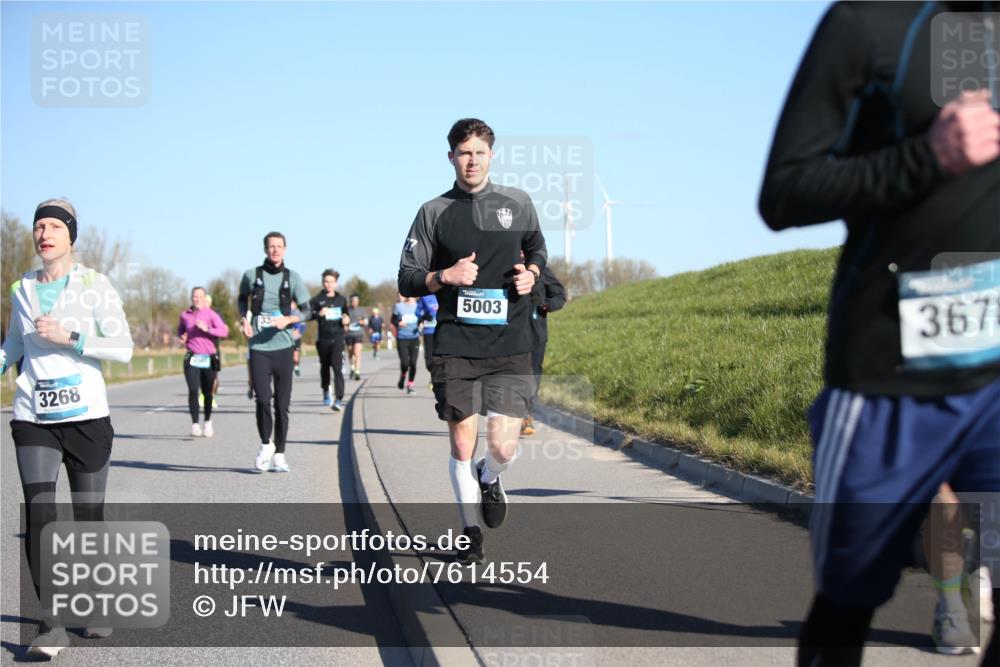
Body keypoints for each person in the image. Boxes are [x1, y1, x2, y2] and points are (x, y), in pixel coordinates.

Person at [758, 4, 1000, 664]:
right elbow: (784, 192)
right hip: (892, 374)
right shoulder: (868, 22)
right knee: (847, 601)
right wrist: (928, 156)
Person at [398, 118, 547, 564]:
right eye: (464, 153)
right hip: (456, 347)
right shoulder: (433, 211)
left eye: (480, 152)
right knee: (462, 445)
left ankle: (491, 476)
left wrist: (532, 273)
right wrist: (443, 275)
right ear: (451, 158)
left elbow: (538, 247)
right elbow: (406, 278)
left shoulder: (517, 202)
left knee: (502, 447)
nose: (472, 160)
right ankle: (468, 533)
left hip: (509, 343)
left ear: (491, 155)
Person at [2, 198, 134, 657]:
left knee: (87, 521)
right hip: (33, 414)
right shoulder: (21, 287)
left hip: (87, 418)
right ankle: (50, 622)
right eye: (39, 226)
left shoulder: (95, 285)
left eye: (54, 226)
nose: (45, 233)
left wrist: (71, 338)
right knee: (40, 517)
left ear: (70, 236)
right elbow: (14, 344)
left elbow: (123, 348)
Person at [238, 232, 312, 473]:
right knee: (262, 399)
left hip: (283, 345)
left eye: (279, 246)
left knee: (282, 404)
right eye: (271, 247)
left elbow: (307, 311)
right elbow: (241, 299)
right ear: (265, 249)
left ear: (285, 249)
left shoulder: (294, 278)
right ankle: (266, 444)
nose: (275, 250)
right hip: (258, 346)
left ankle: (280, 453)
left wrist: (289, 319)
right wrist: (244, 320)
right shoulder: (251, 275)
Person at [177, 287, 229, 437]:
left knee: (207, 392)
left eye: (200, 296)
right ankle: (194, 424)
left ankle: (207, 421)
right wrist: (182, 337)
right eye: (195, 296)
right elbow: (180, 330)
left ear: (205, 298)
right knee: (193, 390)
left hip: (208, 357)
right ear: (191, 298)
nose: (197, 299)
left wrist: (207, 329)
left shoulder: (211, 314)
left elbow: (223, 331)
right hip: (191, 356)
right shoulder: (184, 315)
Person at [522, 264, 566, 436]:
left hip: (535, 334)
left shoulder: (542, 271)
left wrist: (546, 305)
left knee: (532, 374)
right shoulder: (504, 266)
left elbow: (560, 296)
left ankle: (526, 415)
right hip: (507, 334)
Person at [309, 269, 350, 411]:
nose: (329, 284)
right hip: (323, 339)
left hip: (338, 338)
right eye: (326, 281)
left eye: (332, 282)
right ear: (322, 283)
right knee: (325, 367)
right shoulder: (316, 299)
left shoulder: (341, 299)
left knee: (337, 368)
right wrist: (319, 314)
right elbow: (309, 315)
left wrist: (346, 321)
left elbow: (347, 316)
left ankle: (339, 399)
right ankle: (326, 390)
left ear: (336, 283)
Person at [392, 294, 421, 394]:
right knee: (405, 363)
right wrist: (398, 322)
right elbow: (393, 319)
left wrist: (422, 322)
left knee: (413, 363)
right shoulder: (398, 306)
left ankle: (410, 384)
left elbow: (423, 317)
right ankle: (403, 376)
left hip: (414, 338)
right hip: (402, 338)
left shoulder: (419, 305)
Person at [416, 293, 439, 389]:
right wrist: (424, 317)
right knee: (429, 361)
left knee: (439, 357)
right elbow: (417, 312)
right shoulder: (424, 297)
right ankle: (434, 375)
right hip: (429, 331)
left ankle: (436, 379)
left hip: (441, 331)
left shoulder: (443, 293)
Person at [345, 294, 367, 380]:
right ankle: (352, 367)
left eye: (356, 301)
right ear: (351, 302)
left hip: (358, 334)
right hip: (349, 334)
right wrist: (345, 326)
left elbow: (366, 321)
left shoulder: (361, 310)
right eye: (353, 301)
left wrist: (363, 322)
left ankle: (357, 371)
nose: (354, 303)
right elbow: (343, 320)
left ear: (358, 302)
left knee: (357, 352)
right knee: (350, 352)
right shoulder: (347, 310)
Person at [289, 301, 306, 376]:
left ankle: (296, 367)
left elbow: (303, 325)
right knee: (288, 354)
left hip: (296, 337)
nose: (291, 305)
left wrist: (299, 331)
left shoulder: (299, 313)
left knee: (295, 354)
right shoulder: (285, 312)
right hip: (287, 337)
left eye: (292, 304)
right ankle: (288, 368)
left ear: (295, 305)